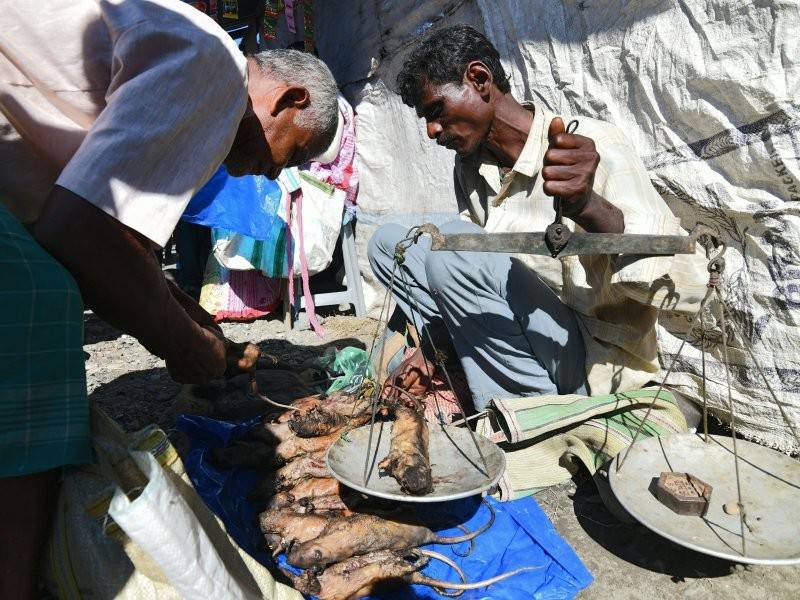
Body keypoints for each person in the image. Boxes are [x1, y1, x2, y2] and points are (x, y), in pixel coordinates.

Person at [0, 1, 340, 597]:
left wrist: (194, 322)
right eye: (287, 156)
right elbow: (76, 234)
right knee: (40, 300)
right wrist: (183, 346)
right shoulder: (215, 69)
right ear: (290, 99)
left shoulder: (197, 64)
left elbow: (114, 242)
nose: (267, 176)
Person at [369, 25, 707, 413]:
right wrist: (437, 343)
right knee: (388, 243)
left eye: (435, 111)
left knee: (454, 253)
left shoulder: (590, 146)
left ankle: (530, 413)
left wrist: (588, 206)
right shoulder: (471, 168)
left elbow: (689, 289)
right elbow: (473, 273)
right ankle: (457, 352)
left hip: (588, 358)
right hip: (515, 329)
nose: (431, 131)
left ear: (479, 79)